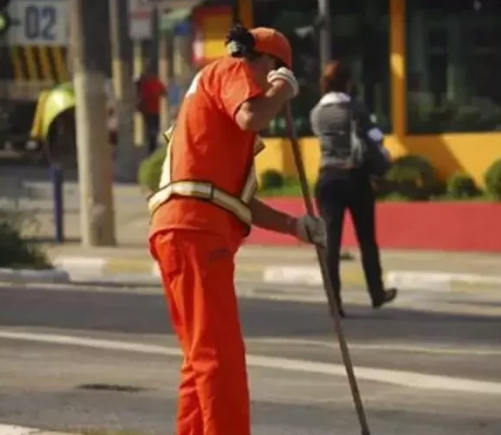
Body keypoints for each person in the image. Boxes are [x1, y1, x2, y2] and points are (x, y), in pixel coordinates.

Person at [147, 24, 327, 435]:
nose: (267, 88)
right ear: (267, 63)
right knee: (220, 357)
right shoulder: (232, 70)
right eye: (274, 74)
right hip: (196, 231)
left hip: (182, 229)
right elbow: (252, 116)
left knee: (200, 359)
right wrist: (282, 89)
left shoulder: (215, 114)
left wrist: (295, 226)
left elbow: (235, 200)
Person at [310, 60, 397, 318]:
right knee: (366, 238)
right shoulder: (355, 108)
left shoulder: (317, 112)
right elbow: (375, 138)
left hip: (328, 179)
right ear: (348, 82)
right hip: (355, 177)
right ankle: (376, 292)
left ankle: (334, 301)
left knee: (331, 243)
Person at [136, 64, 167, 155]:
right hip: (153, 110)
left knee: (151, 128)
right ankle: (152, 146)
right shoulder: (155, 83)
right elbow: (164, 92)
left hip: (148, 110)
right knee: (154, 128)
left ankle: (151, 146)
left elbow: (141, 96)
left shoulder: (145, 84)